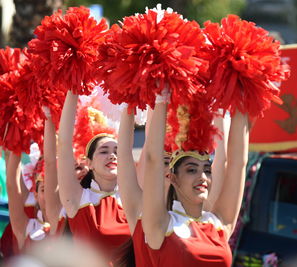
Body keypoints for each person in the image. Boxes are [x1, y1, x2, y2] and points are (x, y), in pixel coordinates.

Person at [133, 98, 249, 266]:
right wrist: (161, 98)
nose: (202, 176)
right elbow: (153, 159)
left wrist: (241, 96)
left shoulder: (218, 223)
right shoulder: (162, 224)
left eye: (207, 170)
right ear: (172, 177)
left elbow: (238, 163)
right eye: (191, 170)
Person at [57, 90, 130, 264]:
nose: (112, 156)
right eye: (104, 151)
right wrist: (74, 86)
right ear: (88, 163)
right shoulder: (78, 198)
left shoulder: (132, 199)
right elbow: (64, 144)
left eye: (117, 152)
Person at [6, 151, 50, 250]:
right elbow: (11, 185)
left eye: (53, 189)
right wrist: (15, 142)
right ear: (36, 195)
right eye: (43, 190)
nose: (49, 195)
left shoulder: (70, 220)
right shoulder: (28, 227)